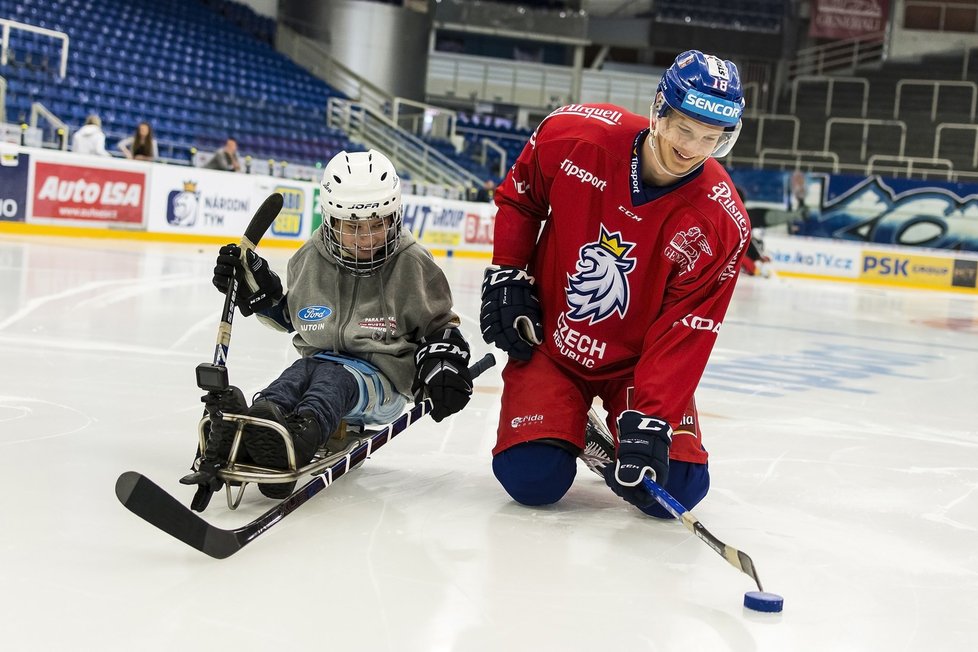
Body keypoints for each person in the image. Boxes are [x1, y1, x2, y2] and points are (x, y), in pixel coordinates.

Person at [480, 50, 750, 519]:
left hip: (636, 367)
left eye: (711, 139)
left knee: (677, 491)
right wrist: (507, 272)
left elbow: (688, 327)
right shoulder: (573, 136)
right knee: (532, 479)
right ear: (659, 111)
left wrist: (652, 415)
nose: (692, 149)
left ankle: (592, 424)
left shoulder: (721, 221)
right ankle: (564, 422)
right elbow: (521, 199)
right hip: (552, 345)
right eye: (684, 130)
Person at [188, 149, 474, 500]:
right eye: (354, 226)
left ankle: (295, 444)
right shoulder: (310, 258)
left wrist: (443, 363)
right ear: (332, 220)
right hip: (318, 359)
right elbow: (295, 319)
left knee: (332, 380)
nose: (367, 237)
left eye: (378, 223)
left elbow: (441, 326)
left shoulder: (412, 263)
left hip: (382, 378)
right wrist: (259, 295)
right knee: (292, 380)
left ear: (394, 216)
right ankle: (250, 430)